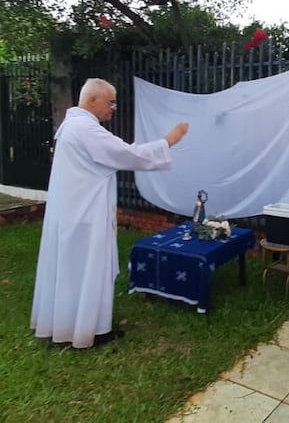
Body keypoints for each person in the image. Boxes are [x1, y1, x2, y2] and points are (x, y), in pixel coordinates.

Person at [30, 78, 189, 349]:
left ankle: (67, 326)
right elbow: (128, 154)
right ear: (92, 100)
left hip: (73, 212)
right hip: (86, 216)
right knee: (90, 271)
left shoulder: (71, 126)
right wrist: (168, 141)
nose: (114, 107)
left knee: (70, 273)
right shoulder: (86, 129)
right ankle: (90, 332)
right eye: (110, 101)